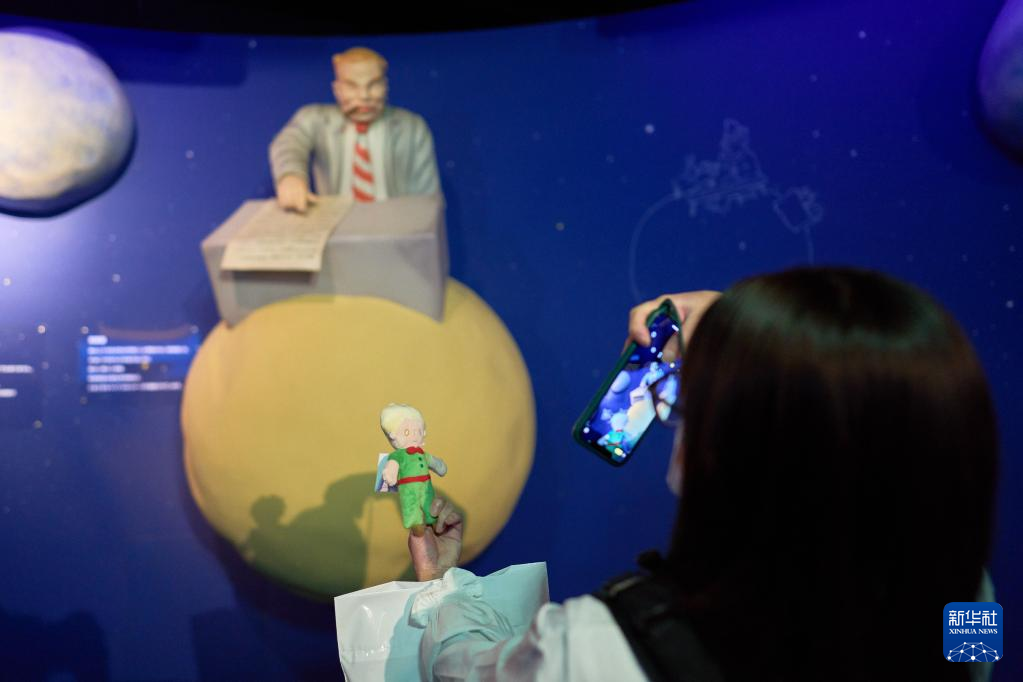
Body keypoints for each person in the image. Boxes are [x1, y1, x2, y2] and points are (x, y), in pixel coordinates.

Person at [405, 267, 998, 681]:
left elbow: (460, 667)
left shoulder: (598, 650)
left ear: (726, 456)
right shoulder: (967, 609)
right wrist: (744, 335)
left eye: (683, 410)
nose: (674, 422)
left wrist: (442, 587)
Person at [269, 47, 440, 213]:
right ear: (337, 89)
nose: (364, 96)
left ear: (385, 86)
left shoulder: (411, 127)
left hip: (395, 223)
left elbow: (427, 198)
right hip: (336, 221)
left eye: (373, 85)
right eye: (352, 86)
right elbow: (289, 142)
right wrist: (290, 175)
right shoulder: (316, 119)